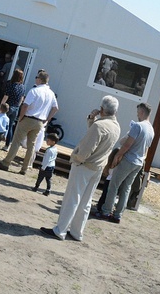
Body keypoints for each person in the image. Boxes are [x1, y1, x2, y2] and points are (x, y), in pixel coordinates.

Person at [39, 96, 120, 241]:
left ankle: (60, 230)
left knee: (72, 198)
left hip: (85, 166)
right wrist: (91, 119)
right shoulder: (116, 126)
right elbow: (95, 136)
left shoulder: (99, 126)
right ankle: (77, 232)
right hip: (98, 167)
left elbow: (87, 148)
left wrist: (75, 158)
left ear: (102, 109)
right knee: (85, 201)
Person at [96, 103, 155, 224]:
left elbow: (127, 144)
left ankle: (106, 211)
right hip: (139, 162)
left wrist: (117, 156)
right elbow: (146, 149)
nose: (137, 115)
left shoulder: (138, 126)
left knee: (114, 185)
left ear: (142, 112)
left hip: (128, 160)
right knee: (126, 188)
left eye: (138, 112)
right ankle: (118, 215)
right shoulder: (151, 129)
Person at [0, 69, 58, 175]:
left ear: (40, 79)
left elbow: (25, 105)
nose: (35, 79)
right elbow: (55, 108)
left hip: (29, 118)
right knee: (31, 145)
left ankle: (6, 163)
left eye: (36, 77)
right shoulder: (51, 93)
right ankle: (24, 168)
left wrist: (21, 117)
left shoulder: (35, 90)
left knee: (17, 141)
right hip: (40, 121)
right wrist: (47, 119)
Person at [0, 68, 25, 151]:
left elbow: (5, 97)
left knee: (1, 125)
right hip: (16, 108)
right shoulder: (22, 87)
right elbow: (22, 99)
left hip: (8, 106)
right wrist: (17, 106)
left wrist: (0, 107)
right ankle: (7, 145)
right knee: (10, 127)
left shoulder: (11, 85)